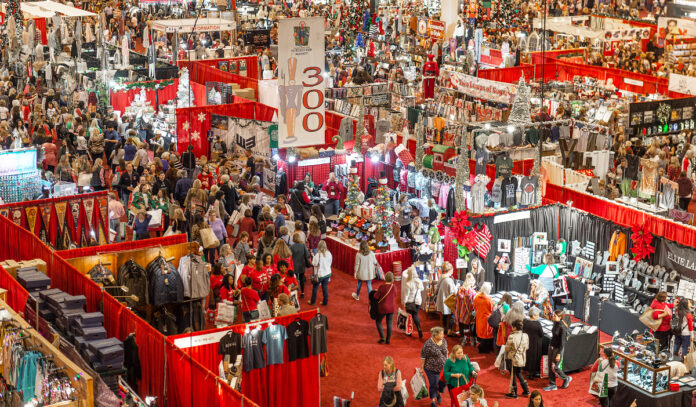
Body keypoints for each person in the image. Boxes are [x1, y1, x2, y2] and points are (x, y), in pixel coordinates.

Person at [544, 310, 572, 391]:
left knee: (555, 367)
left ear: (560, 317)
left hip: (558, 349)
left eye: (555, 316)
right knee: (550, 366)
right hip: (552, 347)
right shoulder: (555, 323)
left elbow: (562, 343)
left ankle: (566, 378)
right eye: (553, 315)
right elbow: (554, 336)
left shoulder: (562, 327)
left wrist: (559, 354)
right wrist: (551, 345)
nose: (553, 316)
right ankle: (552, 384)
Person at [420, 327, 448, 407]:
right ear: (435, 335)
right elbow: (423, 357)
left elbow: (446, 352)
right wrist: (421, 368)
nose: (443, 335)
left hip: (443, 367)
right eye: (441, 334)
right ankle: (432, 401)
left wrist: (448, 362)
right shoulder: (428, 344)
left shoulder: (444, 341)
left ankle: (439, 393)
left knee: (444, 382)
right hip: (431, 368)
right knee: (434, 383)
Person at [505, 320, 530, 399]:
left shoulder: (512, 336)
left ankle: (514, 393)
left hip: (513, 359)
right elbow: (527, 347)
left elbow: (507, 349)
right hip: (522, 358)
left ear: (514, 327)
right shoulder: (525, 335)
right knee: (519, 373)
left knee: (513, 376)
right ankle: (526, 390)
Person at [374, 271, 397, 344]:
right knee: (389, 324)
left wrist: (376, 291)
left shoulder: (382, 287)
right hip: (391, 308)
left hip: (383, 308)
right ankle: (388, 340)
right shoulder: (394, 287)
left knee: (378, 321)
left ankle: (382, 337)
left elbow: (376, 296)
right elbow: (395, 295)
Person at [402, 266, 424, 338]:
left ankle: (409, 332)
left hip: (410, 302)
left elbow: (406, 295)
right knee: (415, 315)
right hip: (418, 301)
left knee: (409, 317)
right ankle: (419, 328)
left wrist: (404, 303)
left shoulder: (408, 284)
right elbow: (422, 289)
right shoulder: (419, 281)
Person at [523, 307, 544, 380]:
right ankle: (532, 373)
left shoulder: (524, 321)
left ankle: (528, 371)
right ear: (533, 315)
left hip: (526, 342)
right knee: (534, 358)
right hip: (535, 344)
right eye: (537, 315)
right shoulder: (537, 323)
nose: (538, 316)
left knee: (528, 356)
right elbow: (541, 334)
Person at [436, 262, 456, 336]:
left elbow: (437, 287)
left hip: (442, 299)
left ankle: (444, 328)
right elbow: (453, 292)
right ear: (450, 270)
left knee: (444, 314)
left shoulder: (441, 277)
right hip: (448, 300)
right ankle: (450, 330)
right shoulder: (449, 280)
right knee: (453, 314)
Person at [309, 240, 332, 306]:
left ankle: (312, 302)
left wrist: (313, 256)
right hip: (327, 273)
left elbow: (314, 264)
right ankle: (325, 302)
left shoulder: (318, 255)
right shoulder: (329, 253)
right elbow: (330, 262)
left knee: (315, 287)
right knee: (325, 287)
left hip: (320, 275)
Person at [474, 282, 495, 353]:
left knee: (481, 334)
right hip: (487, 320)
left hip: (479, 318)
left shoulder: (477, 297)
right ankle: (485, 349)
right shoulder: (489, 300)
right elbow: (492, 310)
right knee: (487, 335)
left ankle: (482, 347)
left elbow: (475, 307)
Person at [290, 232, 310, 298]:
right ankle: (303, 292)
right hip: (302, 264)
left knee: (294, 280)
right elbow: (307, 254)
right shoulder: (303, 245)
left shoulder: (292, 247)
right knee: (302, 279)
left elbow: (289, 256)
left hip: (294, 265)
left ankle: (294, 293)